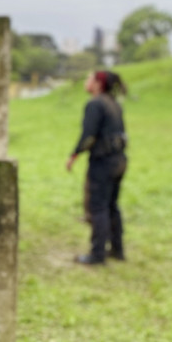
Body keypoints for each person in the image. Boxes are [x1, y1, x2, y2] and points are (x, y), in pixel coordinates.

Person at [66, 70, 128, 265]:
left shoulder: (95, 104)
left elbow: (89, 135)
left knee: (98, 206)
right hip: (119, 160)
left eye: (89, 79)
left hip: (103, 162)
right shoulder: (114, 103)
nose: (86, 81)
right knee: (111, 205)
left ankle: (97, 254)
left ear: (98, 84)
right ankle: (117, 250)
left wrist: (74, 154)